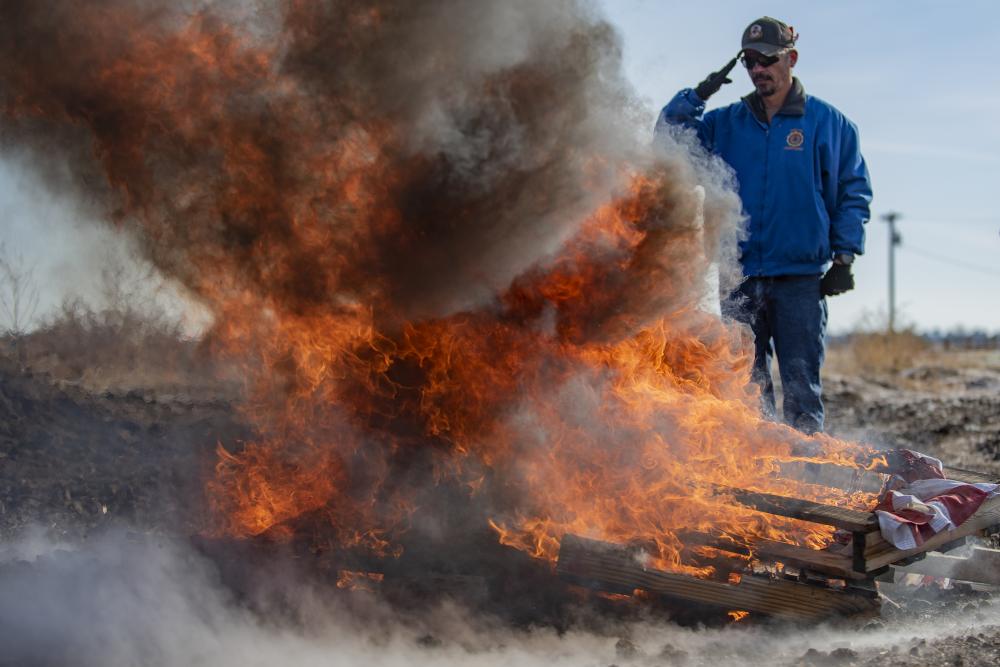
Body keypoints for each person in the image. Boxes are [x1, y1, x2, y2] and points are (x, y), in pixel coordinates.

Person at [654, 17, 872, 434]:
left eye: (767, 60)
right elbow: (669, 138)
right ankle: (768, 476)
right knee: (748, 391)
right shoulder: (723, 124)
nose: (758, 71)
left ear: (790, 58)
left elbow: (853, 191)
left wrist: (844, 256)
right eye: (750, 62)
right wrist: (700, 92)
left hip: (800, 281)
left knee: (801, 390)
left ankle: (807, 476)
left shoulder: (829, 124)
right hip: (739, 277)